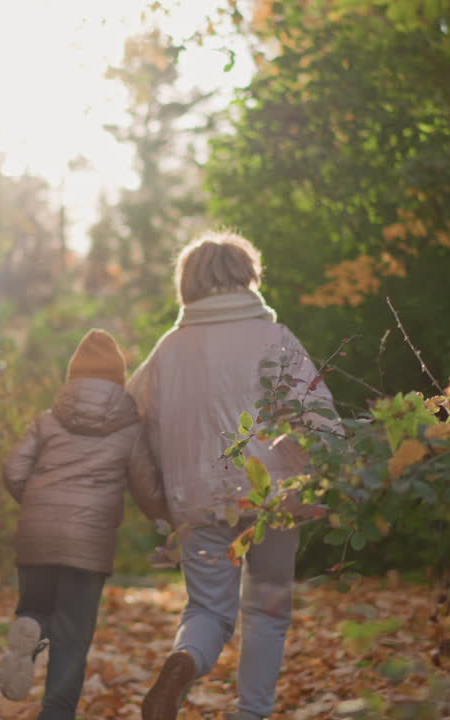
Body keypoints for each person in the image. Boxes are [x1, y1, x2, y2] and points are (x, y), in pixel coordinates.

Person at [130, 231, 337, 720]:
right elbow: (319, 421)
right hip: (272, 499)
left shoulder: (168, 350)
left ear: (188, 284)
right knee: (266, 613)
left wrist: (157, 495)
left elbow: (128, 421)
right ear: (247, 277)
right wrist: (305, 471)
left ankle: (184, 661)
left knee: (207, 611)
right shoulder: (275, 340)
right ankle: (250, 714)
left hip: (195, 501)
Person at [0, 328, 169, 720]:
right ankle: (55, 714)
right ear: (118, 378)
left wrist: (40, 504)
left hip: (37, 533)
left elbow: (13, 469)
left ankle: (32, 626)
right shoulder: (129, 428)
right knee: (72, 641)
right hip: (86, 546)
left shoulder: (47, 420)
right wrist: (171, 521)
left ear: (71, 377)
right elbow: (146, 489)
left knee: (36, 609)